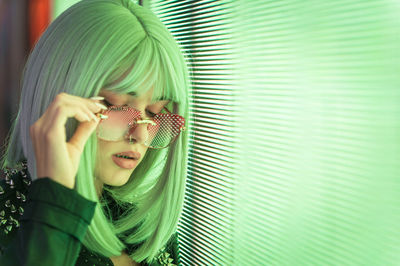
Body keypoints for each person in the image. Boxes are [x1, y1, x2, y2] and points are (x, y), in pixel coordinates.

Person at [0, 0, 190, 265]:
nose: (141, 135)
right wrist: (52, 207)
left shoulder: (144, 231)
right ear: (59, 95)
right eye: (116, 107)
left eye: (156, 113)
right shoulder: (8, 218)